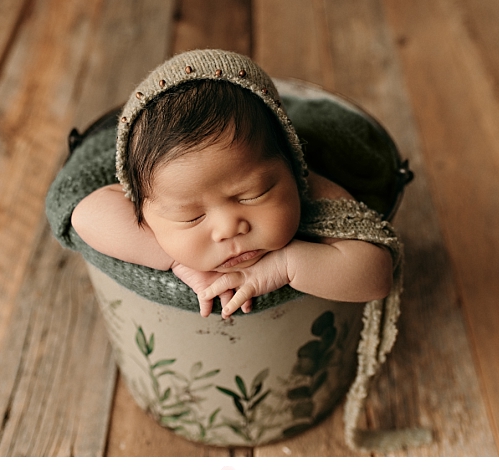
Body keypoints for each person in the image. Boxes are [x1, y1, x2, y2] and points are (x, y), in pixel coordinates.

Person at [70, 49, 394, 319]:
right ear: (140, 207)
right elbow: (85, 216)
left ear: (292, 167)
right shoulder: (156, 194)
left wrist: (287, 265)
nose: (228, 228)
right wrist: (176, 261)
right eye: (191, 217)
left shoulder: (313, 190)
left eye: (253, 194)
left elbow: (377, 275)